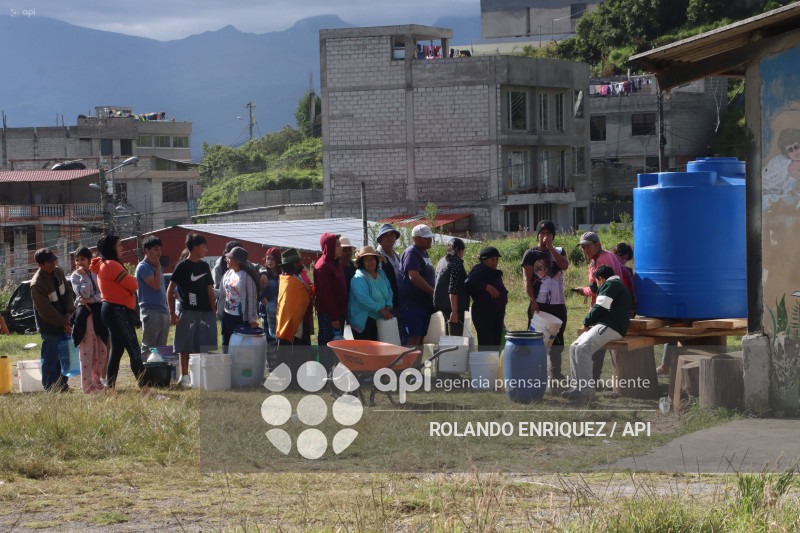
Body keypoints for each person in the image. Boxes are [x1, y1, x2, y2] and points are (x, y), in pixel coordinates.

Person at [563, 264, 632, 402]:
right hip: (608, 325)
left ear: (600, 279)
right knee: (574, 346)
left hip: (612, 326)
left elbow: (599, 307)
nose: (597, 285)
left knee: (582, 349)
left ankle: (588, 392)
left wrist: (586, 321)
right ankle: (579, 388)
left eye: (596, 282)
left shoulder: (610, 284)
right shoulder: (615, 284)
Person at [572, 231, 635, 382]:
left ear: (597, 244)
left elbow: (596, 290)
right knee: (581, 346)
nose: (585, 251)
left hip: (607, 316)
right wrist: (632, 300)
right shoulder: (610, 255)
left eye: (588, 247)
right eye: (583, 248)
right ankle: (584, 384)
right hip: (610, 312)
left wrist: (584, 291)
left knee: (587, 348)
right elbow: (627, 275)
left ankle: (589, 382)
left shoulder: (601, 261)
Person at [90, 235, 145, 390]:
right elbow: (133, 284)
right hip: (117, 310)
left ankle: (111, 388)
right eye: (119, 245)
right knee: (134, 349)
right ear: (111, 248)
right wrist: (131, 280)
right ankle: (145, 389)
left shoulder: (103, 264)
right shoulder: (111, 265)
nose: (122, 248)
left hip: (110, 309)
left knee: (117, 351)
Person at [168, 233, 218, 387]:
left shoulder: (204, 266)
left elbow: (210, 290)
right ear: (195, 247)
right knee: (185, 346)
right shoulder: (182, 266)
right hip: (187, 311)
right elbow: (170, 290)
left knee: (202, 345)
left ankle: (199, 376)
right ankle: (184, 377)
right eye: (204, 247)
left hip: (205, 311)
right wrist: (172, 313)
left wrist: (213, 310)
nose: (206, 250)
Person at [522, 220, 569, 380]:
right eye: (542, 233)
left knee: (558, 338)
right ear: (538, 235)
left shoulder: (560, 251)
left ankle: (555, 372)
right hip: (539, 303)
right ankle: (534, 372)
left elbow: (564, 265)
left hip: (558, 303)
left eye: (549, 233)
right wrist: (533, 302)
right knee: (536, 339)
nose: (545, 236)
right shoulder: (531, 254)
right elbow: (527, 280)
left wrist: (551, 249)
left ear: (553, 236)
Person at [30, 248, 76, 391]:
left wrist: (69, 313)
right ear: (40, 265)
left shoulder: (58, 272)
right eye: (49, 263)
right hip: (49, 325)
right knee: (51, 358)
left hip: (65, 320)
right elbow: (46, 311)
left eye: (54, 261)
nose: (53, 264)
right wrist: (64, 322)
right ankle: (50, 387)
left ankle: (63, 385)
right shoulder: (37, 284)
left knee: (64, 356)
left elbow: (68, 292)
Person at [70, 247, 109, 393]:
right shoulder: (75, 276)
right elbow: (83, 294)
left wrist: (91, 299)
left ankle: (97, 381)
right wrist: (83, 277)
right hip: (85, 315)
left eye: (83, 259)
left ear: (89, 260)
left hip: (98, 314)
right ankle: (87, 386)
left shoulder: (96, 272)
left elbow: (101, 294)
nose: (80, 263)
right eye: (77, 260)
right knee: (87, 351)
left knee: (101, 349)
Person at [276, 248, 315, 384]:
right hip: (292, 324)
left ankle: (301, 379)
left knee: (302, 351)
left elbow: (305, 293)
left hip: (300, 321)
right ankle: (293, 381)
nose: (300, 264)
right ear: (292, 264)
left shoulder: (297, 277)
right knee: (294, 352)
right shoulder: (289, 281)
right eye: (298, 262)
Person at [314, 233, 347, 370]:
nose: (341, 248)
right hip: (329, 315)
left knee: (338, 345)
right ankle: (325, 374)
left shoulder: (336, 263)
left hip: (338, 313)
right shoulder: (323, 267)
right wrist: (334, 317)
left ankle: (336, 374)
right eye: (337, 245)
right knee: (328, 345)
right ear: (330, 246)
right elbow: (327, 295)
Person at [398, 224, 436, 347]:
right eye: (425, 238)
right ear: (415, 238)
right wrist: (432, 291)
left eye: (429, 237)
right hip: (413, 305)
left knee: (420, 340)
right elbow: (413, 276)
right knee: (412, 339)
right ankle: (407, 366)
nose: (429, 240)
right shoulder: (412, 252)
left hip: (424, 305)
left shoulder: (424, 253)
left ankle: (416, 367)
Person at [465, 246, 508, 350]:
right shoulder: (479, 270)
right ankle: (485, 365)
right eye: (492, 259)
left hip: (497, 314)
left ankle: (493, 365)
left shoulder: (494, 273)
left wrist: (501, 320)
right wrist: (487, 287)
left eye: (497, 259)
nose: (495, 262)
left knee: (496, 344)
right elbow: (469, 282)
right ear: (484, 260)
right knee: (487, 343)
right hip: (483, 313)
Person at [217, 246, 260, 351]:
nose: (227, 259)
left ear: (237, 261)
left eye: (229, 258)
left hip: (240, 318)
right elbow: (221, 294)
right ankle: (227, 366)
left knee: (240, 348)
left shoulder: (247, 277)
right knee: (226, 344)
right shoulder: (227, 274)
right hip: (227, 316)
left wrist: (252, 319)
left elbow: (252, 298)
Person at [136, 236, 170, 362]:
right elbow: (155, 285)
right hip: (150, 312)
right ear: (147, 250)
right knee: (149, 348)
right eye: (156, 249)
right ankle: (146, 376)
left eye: (160, 249)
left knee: (161, 348)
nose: (159, 253)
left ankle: (158, 377)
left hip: (163, 311)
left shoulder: (157, 266)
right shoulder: (143, 267)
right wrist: (156, 266)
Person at [348, 246, 393, 341]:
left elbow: (389, 290)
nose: (370, 262)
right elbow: (364, 299)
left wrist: (388, 307)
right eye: (366, 260)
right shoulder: (358, 278)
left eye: (372, 259)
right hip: (365, 320)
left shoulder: (381, 273)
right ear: (362, 263)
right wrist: (382, 310)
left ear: (376, 260)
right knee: (367, 350)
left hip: (381, 318)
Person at [433, 237, 469, 336]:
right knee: (455, 337)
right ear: (460, 250)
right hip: (453, 305)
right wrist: (454, 311)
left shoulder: (442, 261)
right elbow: (453, 288)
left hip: (443, 304)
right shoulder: (456, 262)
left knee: (448, 335)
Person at [259, 247, 282, 343]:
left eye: (272, 259)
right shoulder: (264, 275)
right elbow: (261, 294)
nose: (269, 261)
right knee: (269, 342)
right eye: (268, 259)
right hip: (267, 313)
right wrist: (270, 308)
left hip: (280, 313)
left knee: (279, 341)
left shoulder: (282, 275)